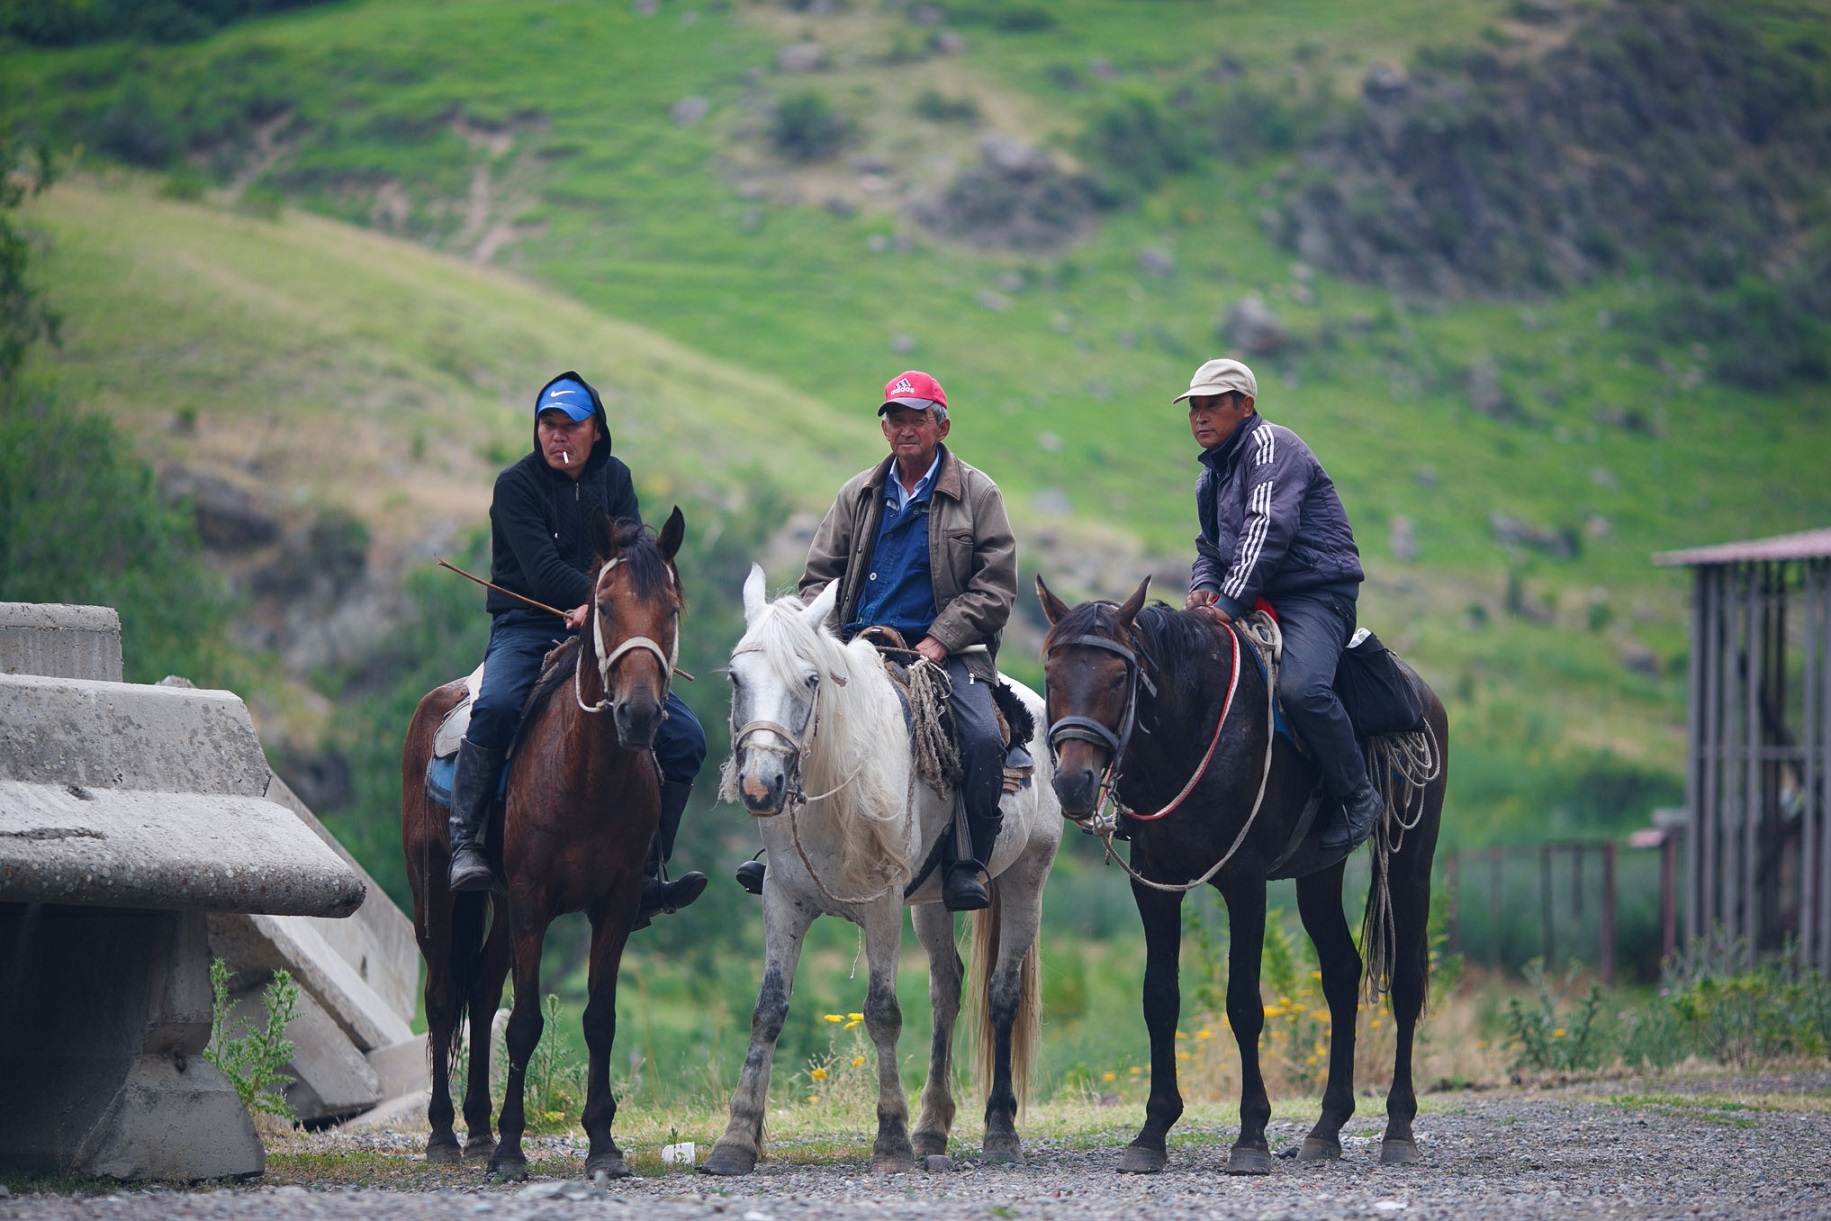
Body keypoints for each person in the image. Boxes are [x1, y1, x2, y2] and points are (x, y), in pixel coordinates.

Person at [738, 370, 1018, 911]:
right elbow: (819, 575)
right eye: (895, 418)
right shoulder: (858, 492)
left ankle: (968, 863)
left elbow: (994, 590)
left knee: (983, 738)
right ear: (885, 429)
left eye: (917, 418)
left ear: (943, 426)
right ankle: (776, 852)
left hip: (947, 652)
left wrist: (941, 639)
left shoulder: (979, 494)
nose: (905, 428)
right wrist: (823, 636)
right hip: (856, 645)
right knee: (792, 718)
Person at [447, 371, 708, 923]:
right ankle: (465, 842)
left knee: (685, 736)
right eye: (549, 424)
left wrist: (610, 608)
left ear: (596, 431)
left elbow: (635, 555)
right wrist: (593, 597)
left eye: (571, 426)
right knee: (494, 707)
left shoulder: (616, 478)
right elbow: (540, 569)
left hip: (606, 628)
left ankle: (646, 870)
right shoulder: (514, 485)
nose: (558, 436)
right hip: (527, 623)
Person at [1177, 358, 1385, 853]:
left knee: (1300, 688)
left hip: (1316, 595)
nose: (1200, 417)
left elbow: (1267, 530)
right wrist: (1204, 587)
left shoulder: (1274, 447)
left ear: (1245, 405)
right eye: (1193, 409)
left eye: (1212, 405)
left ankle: (1358, 796)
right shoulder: (1210, 478)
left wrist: (1226, 603)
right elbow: (1210, 547)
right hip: (1254, 593)